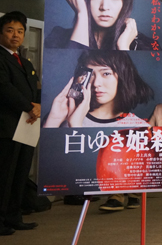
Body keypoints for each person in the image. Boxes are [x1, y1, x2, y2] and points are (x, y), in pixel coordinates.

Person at [44, 51, 153, 211]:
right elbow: (49, 168)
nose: (96, 83)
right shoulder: (64, 117)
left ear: (123, 76)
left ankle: (126, 194)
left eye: (106, 73)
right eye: (90, 74)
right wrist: (58, 121)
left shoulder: (138, 126)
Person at [0, 12, 40, 235]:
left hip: (27, 126)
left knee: (20, 173)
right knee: (4, 175)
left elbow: (35, 88)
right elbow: (4, 87)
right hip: (6, 126)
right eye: (10, 30)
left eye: (20, 31)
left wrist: (39, 106)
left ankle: (14, 216)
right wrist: (28, 106)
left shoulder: (25, 62)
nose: (15, 35)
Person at [45, 0, 153, 51]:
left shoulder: (146, 45)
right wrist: (82, 14)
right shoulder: (58, 37)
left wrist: (123, 47)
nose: (104, 7)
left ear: (125, 1)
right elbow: (69, 66)